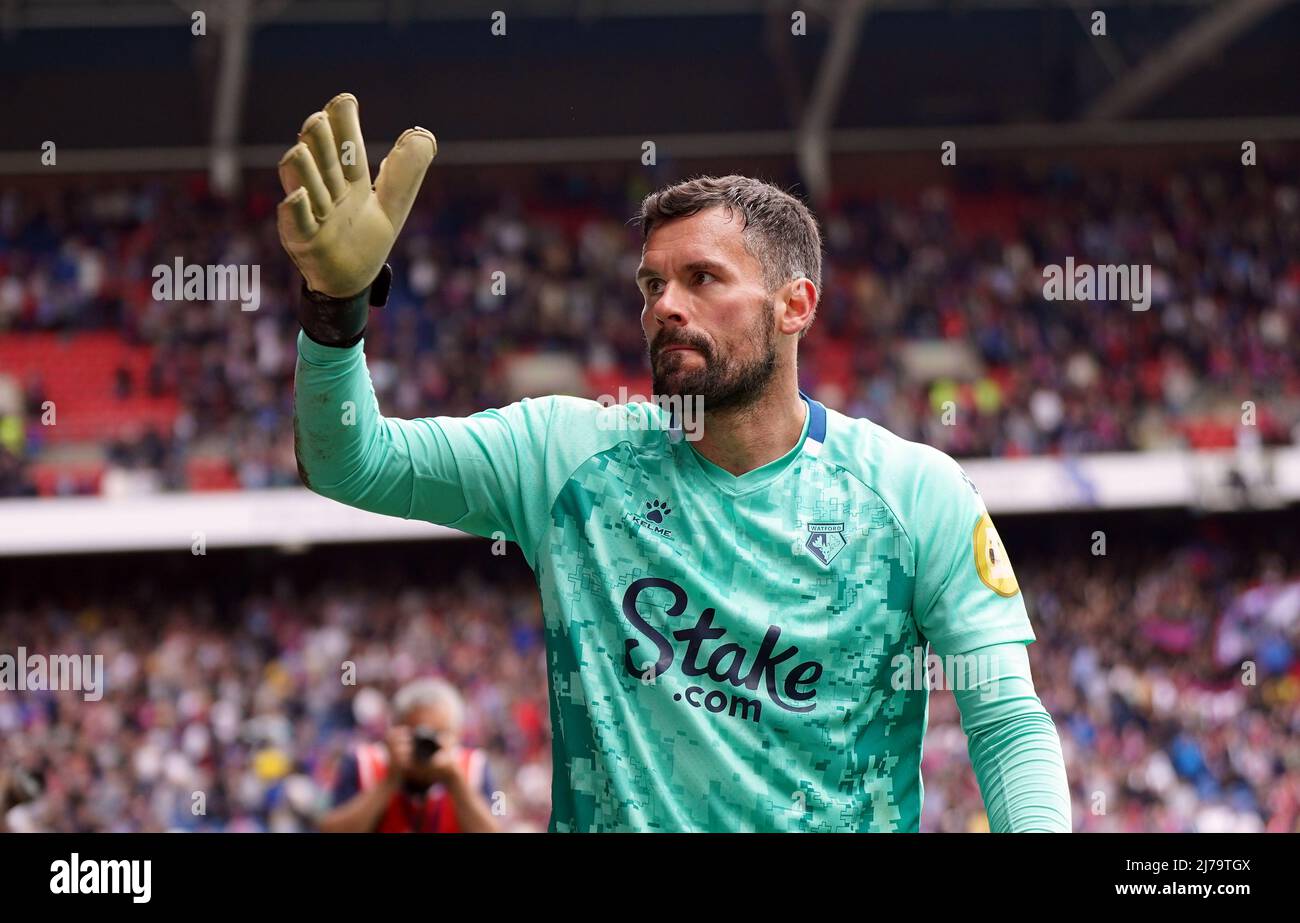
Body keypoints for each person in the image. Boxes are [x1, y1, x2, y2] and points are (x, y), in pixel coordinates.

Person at [280, 93, 1071, 832]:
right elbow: (352, 461)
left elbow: (1004, 720)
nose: (663, 305)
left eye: (701, 278)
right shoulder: (566, 458)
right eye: (652, 283)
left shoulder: (911, 493)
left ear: (795, 305)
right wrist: (334, 312)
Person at [319, 679, 499, 833]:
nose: (427, 745)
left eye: (439, 735)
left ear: (457, 737)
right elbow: (331, 829)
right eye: (418, 735)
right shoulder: (363, 764)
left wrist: (455, 781)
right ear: (395, 730)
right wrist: (389, 781)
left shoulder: (473, 768)